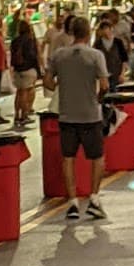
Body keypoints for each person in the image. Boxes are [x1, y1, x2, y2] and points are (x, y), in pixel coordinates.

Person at [44, 15, 110, 220]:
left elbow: (47, 82)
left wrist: (62, 87)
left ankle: (72, 202)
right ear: (88, 33)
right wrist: (98, 98)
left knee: (68, 158)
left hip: (66, 114)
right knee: (97, 157)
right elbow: (105, 85)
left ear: (72, 32)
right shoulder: (96, 55)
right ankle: (94, 199)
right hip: (90, 114)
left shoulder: (59, 55)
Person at [10, 17, 41, 129]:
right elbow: (33, 56)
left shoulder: (15, 41)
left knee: (19, 93)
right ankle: (24, 115)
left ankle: (16, 115)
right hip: (28, 68)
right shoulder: (30, 40)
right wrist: (39, 69)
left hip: (17, 69)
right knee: (26, 92)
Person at [95, 17, 129, 91]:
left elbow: (124, 59)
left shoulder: (118, 42)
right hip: (104, 75)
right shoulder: (98, 44)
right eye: (103, 29)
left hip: (117, 74)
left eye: (107, 28)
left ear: (111, 29)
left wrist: (122, 74)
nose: (105, 31)